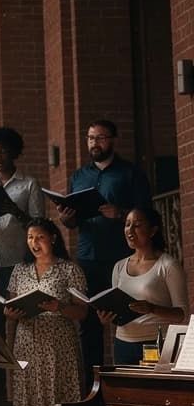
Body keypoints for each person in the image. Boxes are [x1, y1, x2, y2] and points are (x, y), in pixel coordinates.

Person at [59, 119, 152, 391]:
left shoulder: (130, 173)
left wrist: (120, 213)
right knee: (90, 325)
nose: (94, 143)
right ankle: (94, 390)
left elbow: (147, 212)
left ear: (112, 140)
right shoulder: (79, 176)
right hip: (88, 258)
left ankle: (133, 388)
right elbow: (74, 220)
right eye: (90, 138)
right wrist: (67, 219)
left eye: (100, 137)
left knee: (128, 320)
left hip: (122, 258)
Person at [4, 218, 86, 406]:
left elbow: (82, 312)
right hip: (27, 346)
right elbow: (10, 308)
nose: (34, 243)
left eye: (39, 237)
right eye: (30, 238)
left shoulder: (69, 269)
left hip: (59, 349)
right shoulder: (20, 270)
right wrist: (10, 315)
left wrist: (58, 307)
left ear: (53, 238)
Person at [96, 207, 187, 366]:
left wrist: (152, 308)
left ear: (152, 231)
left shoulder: (168, 265)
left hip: (157, 343)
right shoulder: (119, 267)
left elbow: (182, 315)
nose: (130, 230)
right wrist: (107, 317)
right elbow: (117, 309)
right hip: (123, 344)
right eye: (127, 224)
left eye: (137, 225)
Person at [0, 127, 44, 295]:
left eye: (2, 152)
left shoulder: (29, 184)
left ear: (13, 152)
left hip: (17, 258)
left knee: (16, 306)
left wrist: (16, 212)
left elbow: (40, 226)